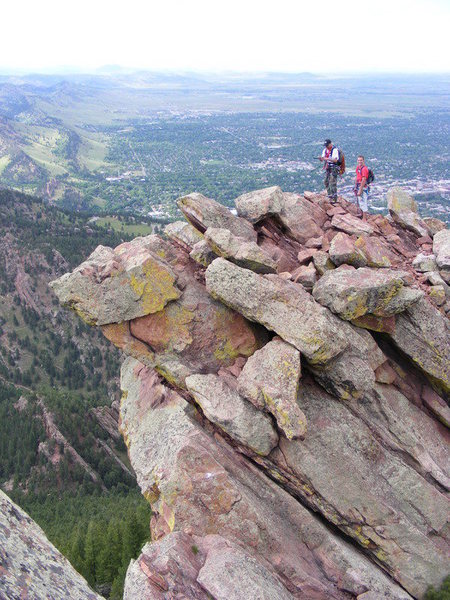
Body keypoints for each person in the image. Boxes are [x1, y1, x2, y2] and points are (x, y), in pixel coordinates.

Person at [354, 155, 370, 220]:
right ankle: (361, 214)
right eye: (358, 160)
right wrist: (355, 186)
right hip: (358, 185)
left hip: (363, 187)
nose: (359, 161)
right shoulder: (358, 168)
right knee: (360, 201)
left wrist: (360, 189)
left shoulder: (364, 169)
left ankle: (364, 218)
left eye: (361, 160)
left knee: (364, 201)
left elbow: (364, 179)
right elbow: (357, 177)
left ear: (363, 160)